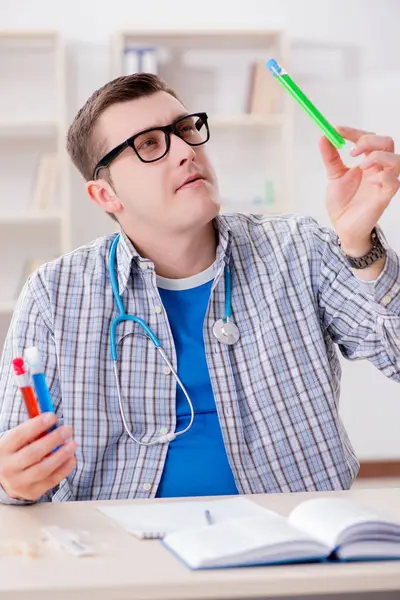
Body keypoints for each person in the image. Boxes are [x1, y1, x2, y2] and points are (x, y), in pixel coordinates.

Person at [0, 73, 399, 505]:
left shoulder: (299, 250)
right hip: (124, 551)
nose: (187, 151)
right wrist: (13, 484)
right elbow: (13, 465)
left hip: (296, 540)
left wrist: (361, 245)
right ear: (104, 195)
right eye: (149, 144)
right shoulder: (55, 293)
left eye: (186, 129)